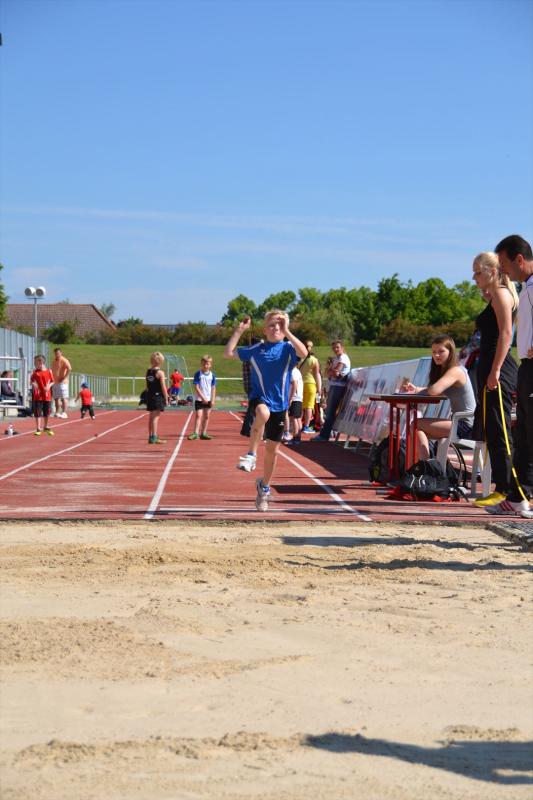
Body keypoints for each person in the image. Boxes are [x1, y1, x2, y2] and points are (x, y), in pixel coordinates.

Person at [224, 311, 307, 511]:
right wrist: (239, 331)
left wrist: (288, 330)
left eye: (280, 325)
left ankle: (264, 487)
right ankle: (251, 454)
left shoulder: (288, 349)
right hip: (260, 397)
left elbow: (304, 353)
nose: (276, 328)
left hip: (280, 405)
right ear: (264, 330)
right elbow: (228, 353)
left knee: (273, 451)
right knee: (262, 413)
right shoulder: (257, 349)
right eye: (272, 325)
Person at [486, 235, 533, 520]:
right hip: (527, 366)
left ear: (519, 259)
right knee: (523, 433)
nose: (502, 270)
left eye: (504, 264)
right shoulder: (525, 288)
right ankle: (518, 497)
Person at [470, 252, 519, 508]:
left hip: (497, 369)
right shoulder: (496, 295)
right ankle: (503, 487)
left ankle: (507, 489)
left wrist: (496, 369)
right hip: (490, 367)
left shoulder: (501, 293)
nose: (473, 277)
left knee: (499, 431)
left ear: (492, 271)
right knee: (492, 430)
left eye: (478, 272)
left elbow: (506, 334)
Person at [400, 334, 476, 460]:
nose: (436, 355)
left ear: (450, 352)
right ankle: (420, 465)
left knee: (416, 425)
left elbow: (435, 390)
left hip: (466, 426)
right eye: (434, 352)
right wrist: (416, 389)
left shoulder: (455, 371)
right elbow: (436, 390)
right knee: (415, 428)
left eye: (441, 351)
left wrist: (423, 390)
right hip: (460, 422)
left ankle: (425, 466)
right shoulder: (450, 371)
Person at [312, 340, 351, 441]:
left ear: (342, 347)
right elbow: (329, 373)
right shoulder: (337, 358)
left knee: (330, 412)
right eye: (334, 348)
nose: (335, 349)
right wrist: (331, 372)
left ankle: (324, 435)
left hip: (338, 386)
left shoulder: (343, 358)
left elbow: (334, 372)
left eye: (337, 347)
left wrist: (332, 371)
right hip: (334, 385)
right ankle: (330, 432)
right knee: (330, 411)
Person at [188, 355, 217, 440]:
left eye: (207, 364)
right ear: (201, 364)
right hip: (199, 399)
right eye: (204, 364)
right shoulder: (198, 374)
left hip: (209, 399)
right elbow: (196, 387)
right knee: (198, 415)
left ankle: (203, 433)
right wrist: (203, 397)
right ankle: (195, 433)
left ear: (210, 365)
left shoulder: (212, 375)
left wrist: (213, 399)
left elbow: (213, 388)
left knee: (207, 416)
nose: (205, 365)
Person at [145, 351, 169, 444]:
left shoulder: (148, 372)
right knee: (156, 417)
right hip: (157, 397)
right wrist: (166, 397)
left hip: (150, 396)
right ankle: (154, 436)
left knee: (151, 417)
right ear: (160, 361)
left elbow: (147, 386)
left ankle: (150, 436)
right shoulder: (160, 373)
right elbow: (163, 387)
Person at [300, 340, 322, 433]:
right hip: (311, 384)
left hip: (300, 384)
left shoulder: (299, 358)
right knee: (309, 406)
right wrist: (319, 388)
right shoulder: (314, 360)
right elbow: (317, 375)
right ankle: (306, 426)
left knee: (300, 405)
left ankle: (298, 424)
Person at [30, 355, 54, 436]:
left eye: (36, 362)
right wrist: (35, 385)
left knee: (47, 411)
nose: (34, 364)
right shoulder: (35, 372)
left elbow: (52, 381)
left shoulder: (49, 371)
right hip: (38, 395)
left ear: (41, 362)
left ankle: (46, 426)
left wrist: (48, 387)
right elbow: (32, 381)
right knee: (38, 412)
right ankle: (38, 428)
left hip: (47, 395)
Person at [51, 348, 72, 418]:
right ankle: (57, 412)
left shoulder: (64, 360)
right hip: (55, 382)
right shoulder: (54, 361)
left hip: (63, 382)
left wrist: (64, 377)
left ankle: (64, 413)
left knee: (64, 397)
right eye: (55, 353)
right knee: (56, 398)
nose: (56, 354)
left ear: (61, 353)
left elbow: (69, 369)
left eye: (58, 353)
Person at [286, 363, 304, 444]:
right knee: (297, 418)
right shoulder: (297, 371)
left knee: (294, 418)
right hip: (298, 397)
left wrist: (290, 398)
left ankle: (296, 438)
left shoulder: (293, 371)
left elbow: (295, 384)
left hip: (295, 397)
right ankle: (298, 437)